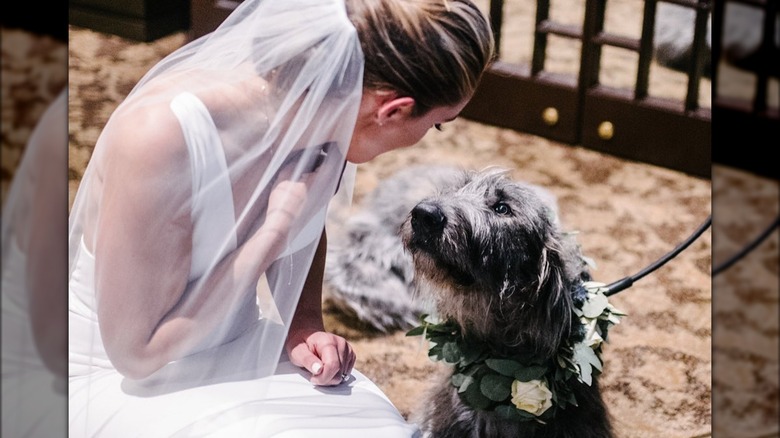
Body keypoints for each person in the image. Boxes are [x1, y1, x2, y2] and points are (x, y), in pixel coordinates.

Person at [68, 0, 495, 436]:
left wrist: (303, 323)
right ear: (391, 110)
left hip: (243, 346)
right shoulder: (159, 137)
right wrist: (271, 235)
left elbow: (307, 228)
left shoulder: (329, 114)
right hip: (123, 377)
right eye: (438, 124)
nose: (426, 139)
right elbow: (135, 354)